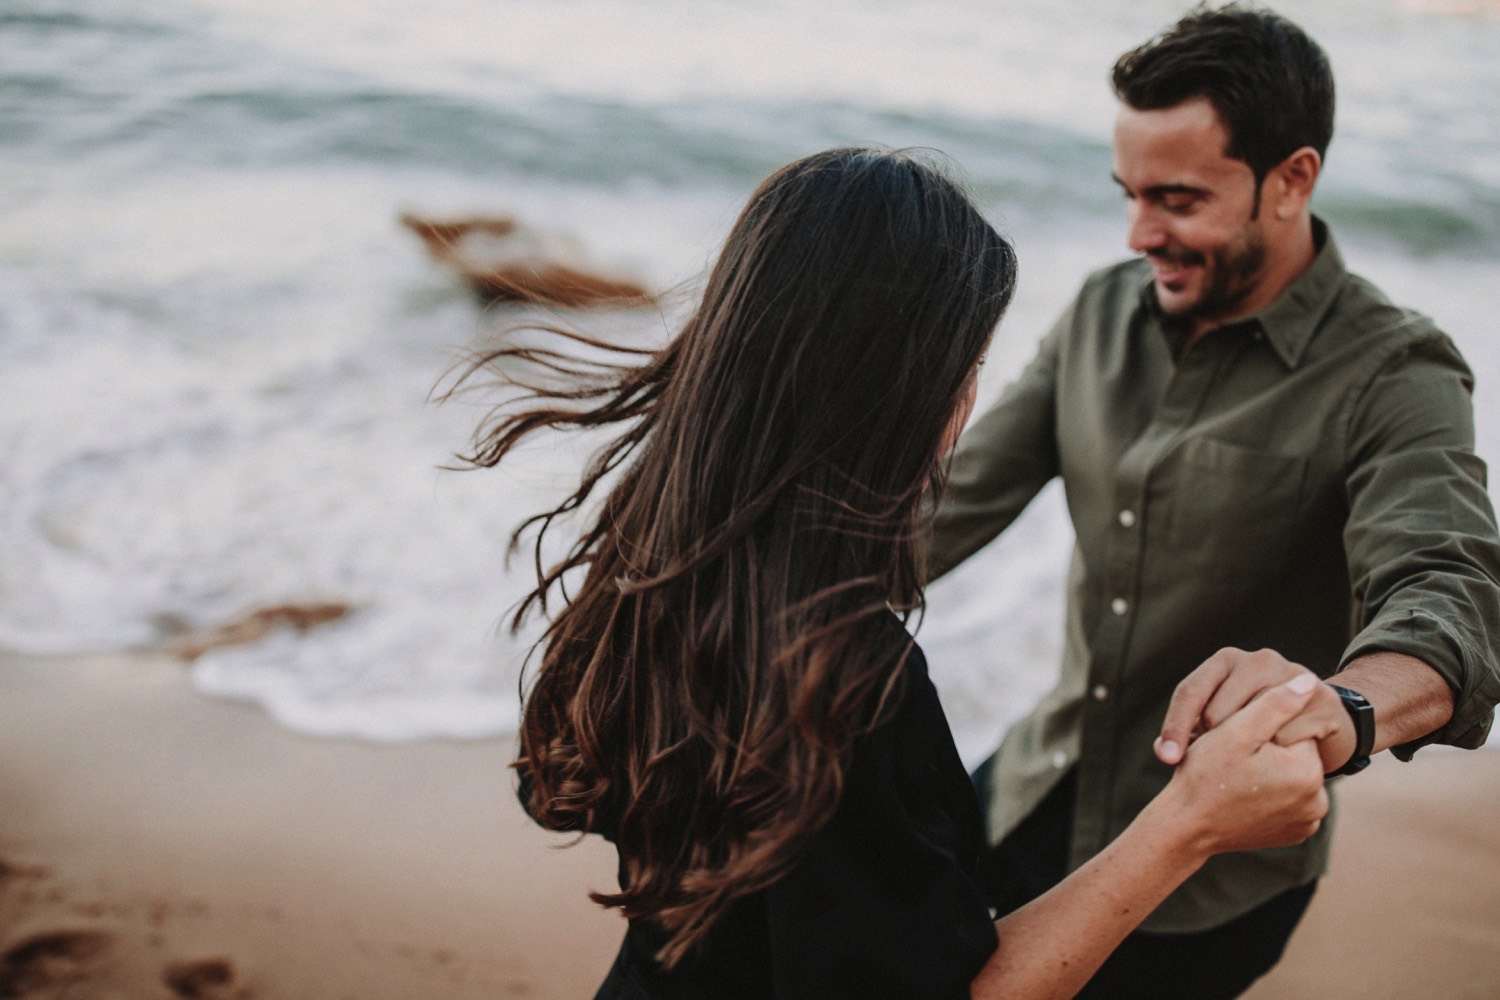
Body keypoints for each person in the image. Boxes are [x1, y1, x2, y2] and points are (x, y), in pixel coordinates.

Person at [456, 147, 1328, 999]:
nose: (970, 398)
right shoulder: (844, 686)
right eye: (971, 366)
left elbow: (557, 793)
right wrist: (1189, 825)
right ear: (911, 391)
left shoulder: (662, 564)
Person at [929, 5, 1500, 998]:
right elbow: (950, 506)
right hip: (1032, 784)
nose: (1141, 232)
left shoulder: (1397, 370)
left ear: (1293, 179)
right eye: (1131, 193)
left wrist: (1340, 710)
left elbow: (1453, 599)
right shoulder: (1104, 309)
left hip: (1212, 877)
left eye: (1180, 199)